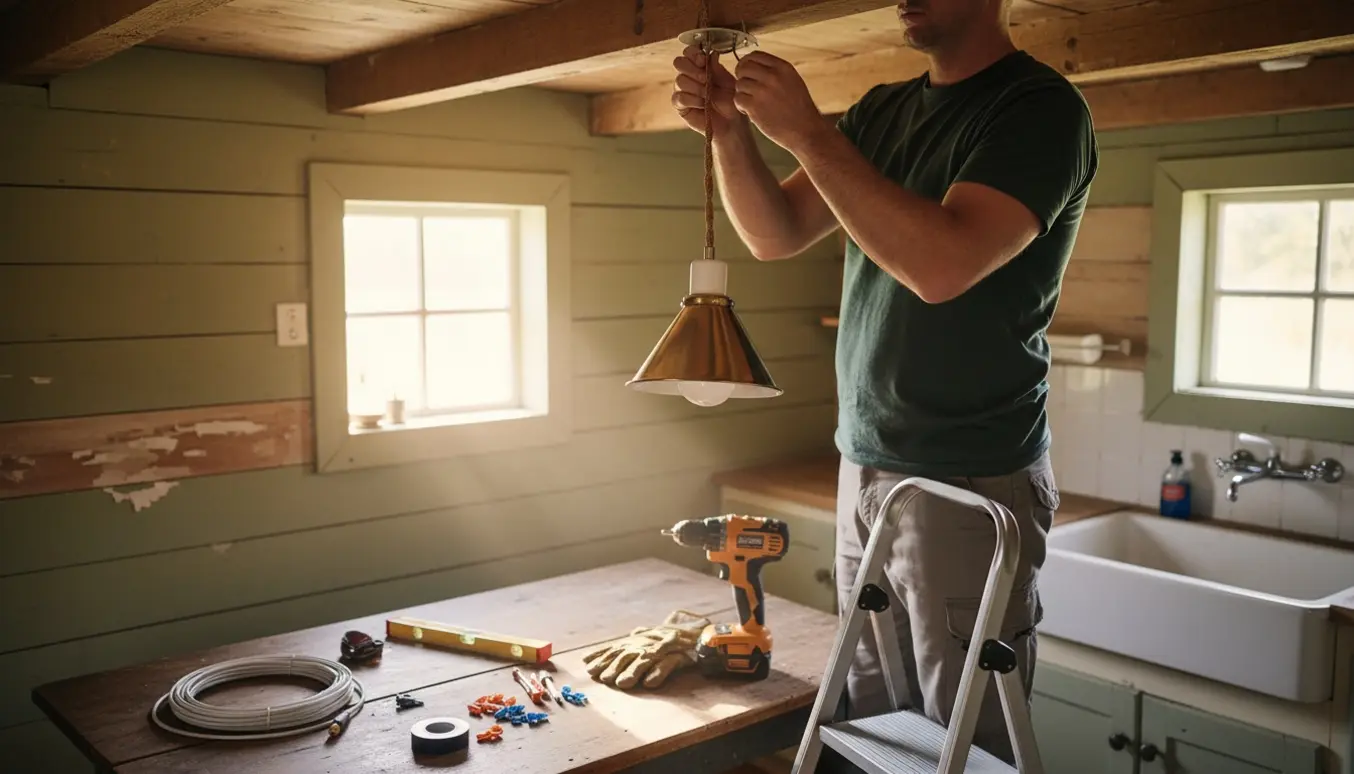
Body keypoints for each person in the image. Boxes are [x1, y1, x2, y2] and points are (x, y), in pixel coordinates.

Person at [670, 0, 1098, 765]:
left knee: (967, 745)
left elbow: (943, 265)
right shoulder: (883, 111)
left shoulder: (1040, 110)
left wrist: (807, 132)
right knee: (872, 729)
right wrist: (731, 133)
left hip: (971, 479)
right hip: (866, 463)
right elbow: (774, 233)